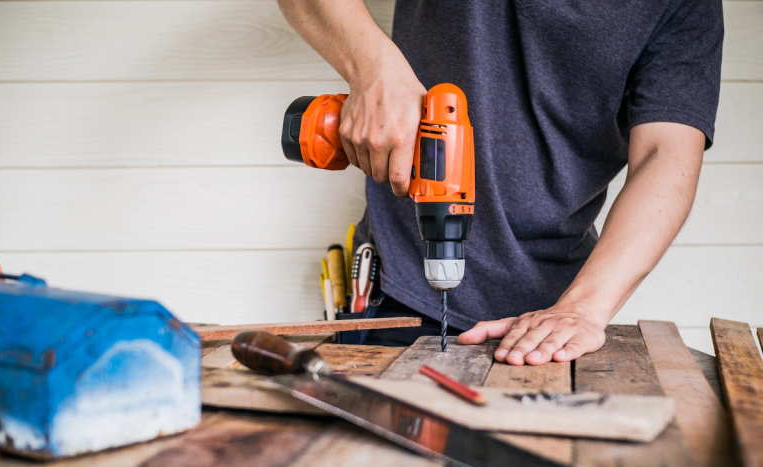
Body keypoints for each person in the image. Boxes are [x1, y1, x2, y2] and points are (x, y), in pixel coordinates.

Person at [278, 0, 723, 365]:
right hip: (395, 292)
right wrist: (373, 68)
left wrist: (583, 308)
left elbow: (666, 155)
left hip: (550, 316)